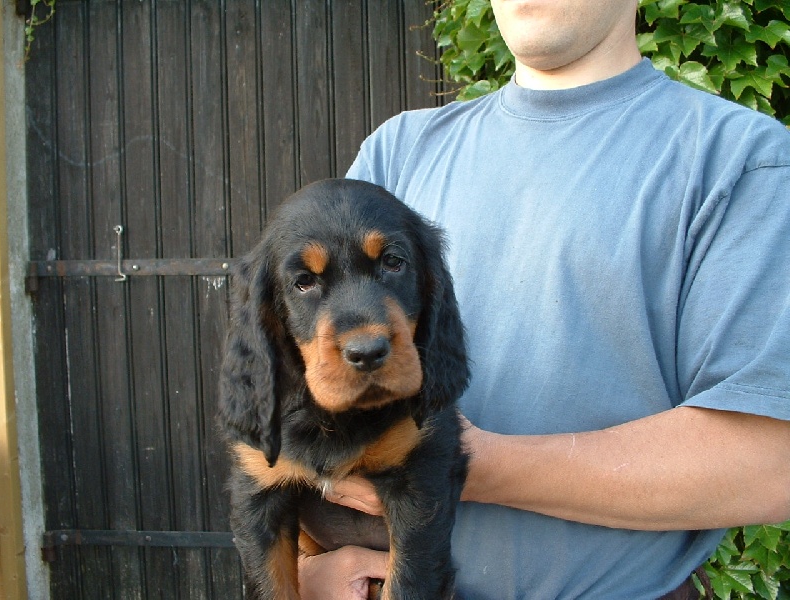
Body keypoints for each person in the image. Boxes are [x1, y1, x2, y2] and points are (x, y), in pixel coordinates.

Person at [297, 0, 790, 597]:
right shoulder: (400, 150)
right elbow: (295, 386)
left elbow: (770, 463)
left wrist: (468, 463)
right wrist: (305, 573)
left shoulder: (739, 160)